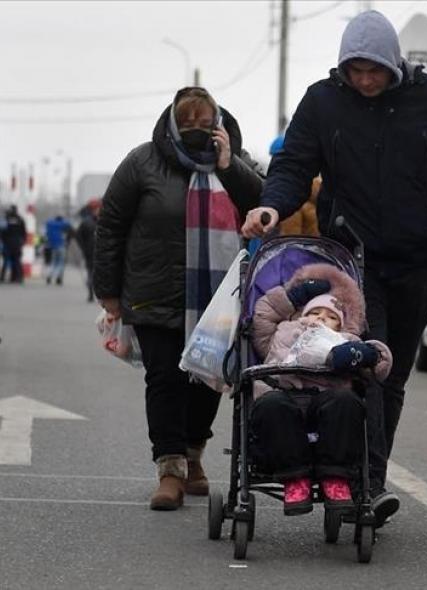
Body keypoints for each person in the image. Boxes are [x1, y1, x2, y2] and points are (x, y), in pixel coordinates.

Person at [240, 10, 427, 524]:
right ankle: (362, 487)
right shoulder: (323, 103)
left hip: (418, 265)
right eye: (356, 71)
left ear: (393, 64)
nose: (366, 80)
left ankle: (367, 478)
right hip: (354, 263)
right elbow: (293, 166)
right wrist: (271, 208)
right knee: (362, 367)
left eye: (375, 70)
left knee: (392, 379)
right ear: (343, 68)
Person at [93, 87, 263, 510]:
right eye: (187, 124)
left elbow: (264, 205)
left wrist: (229, 165)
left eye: (205, 124)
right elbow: (111, 225)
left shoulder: (235, 163)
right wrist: (109, 292)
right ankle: (169, 470)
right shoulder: (142, 162)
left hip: (219, 297)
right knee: (165, 379)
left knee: (208, 377)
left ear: (219, 126)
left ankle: (193, 455)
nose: (195, 131)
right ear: (172, 123)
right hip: (155, 293)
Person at [250, 262, 391, 515]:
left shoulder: (344, 341)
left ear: (341, 325)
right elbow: (262, 315)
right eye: (315, 313)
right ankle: (295, 479)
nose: (321, 320)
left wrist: (364, 355)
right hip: (285, 394)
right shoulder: (283, 331)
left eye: (330, 318)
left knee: (347, 401)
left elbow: (380, 364)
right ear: (300, 315)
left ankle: (336, 478)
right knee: (270, 404)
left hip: (326, 399)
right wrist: (290, 297)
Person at [75, 199, 101, 302]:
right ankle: (92, 293)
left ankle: (93, 293)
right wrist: (84, 247)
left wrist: (83, 247)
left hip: (95, 252)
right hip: (92, 252)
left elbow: (78, 236)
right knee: (93, 273)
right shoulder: (90, 222)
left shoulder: (86, 222)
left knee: (93, 273)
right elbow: (78, 236)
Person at [44, 214, 73, 285]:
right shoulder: (61, 224)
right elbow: (69, 224)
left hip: (53, 246)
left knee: (53, 262)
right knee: (61, 262)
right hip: (61, 245)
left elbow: (47, 223)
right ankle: (59, 278)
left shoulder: (50, 224)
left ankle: (49, 276)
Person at [1, 205, 27, 284]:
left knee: (6, 261)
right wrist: (22, 242)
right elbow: (24, 232)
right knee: (17, 261)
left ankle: (2, 277)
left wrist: (3, 240)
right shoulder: (20, 219)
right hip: (17, 243)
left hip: (7, 243)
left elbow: (2, 232)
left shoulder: (6, 219)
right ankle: (19, 277)